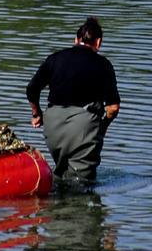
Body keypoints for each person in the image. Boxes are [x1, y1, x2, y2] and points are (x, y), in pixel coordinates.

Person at [26, 16, 121, 186]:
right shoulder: (103, 65)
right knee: (80, 186)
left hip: (52, 127)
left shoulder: (55, 58)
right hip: (83, 128)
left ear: (76, 40)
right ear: (98, 42)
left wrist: (37, 114)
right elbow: (113, 108)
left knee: (61, 175)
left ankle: (52, 209)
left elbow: (32, 89)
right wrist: (102, 127)